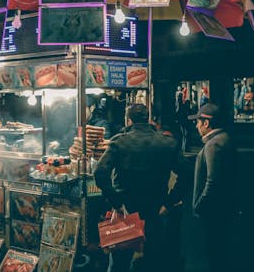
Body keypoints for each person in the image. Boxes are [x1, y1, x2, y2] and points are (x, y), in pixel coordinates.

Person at [93, 104, 179, 272]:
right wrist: (169, 202)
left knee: (119, 263)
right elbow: (187, 173)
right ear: (148, 119)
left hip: (126, 213)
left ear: (128, 120)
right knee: (153, 261)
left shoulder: (119, 142)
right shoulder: (167, 143)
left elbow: (99, 173)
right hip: (155, 210)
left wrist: (116, 202)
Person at [188, 103, 239, 272]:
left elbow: (213, 181)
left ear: (206, 123)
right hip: (223, 208)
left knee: (214, 252)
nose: (196, 126)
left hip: (215, 210)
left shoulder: (214, 145)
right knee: (220, 251)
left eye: (198, 122)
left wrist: (200, 205)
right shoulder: (224, 139)